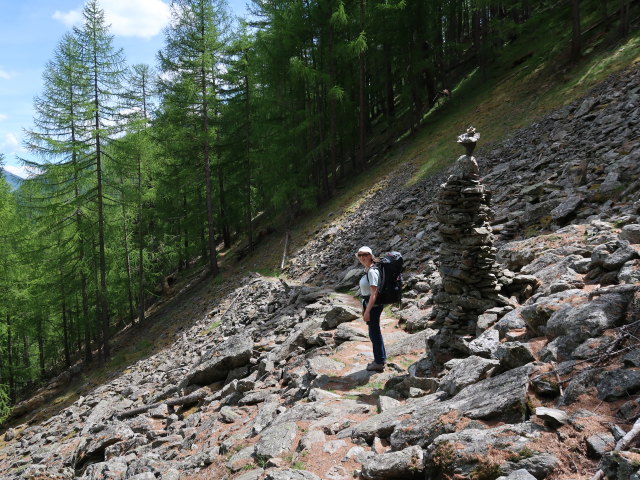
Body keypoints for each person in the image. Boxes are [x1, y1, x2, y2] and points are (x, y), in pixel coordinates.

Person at [356, 246, 386, 372]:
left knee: (374, 333)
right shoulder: (367, 269)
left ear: (371, 256)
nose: (363, 257)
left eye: (365, 255)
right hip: (368, 304)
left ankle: (379, 362)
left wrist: (367, 311)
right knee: (374, 332)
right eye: (360, 255)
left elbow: (374, 294)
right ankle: (380, 358)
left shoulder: (372, 271)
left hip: (373, 306)